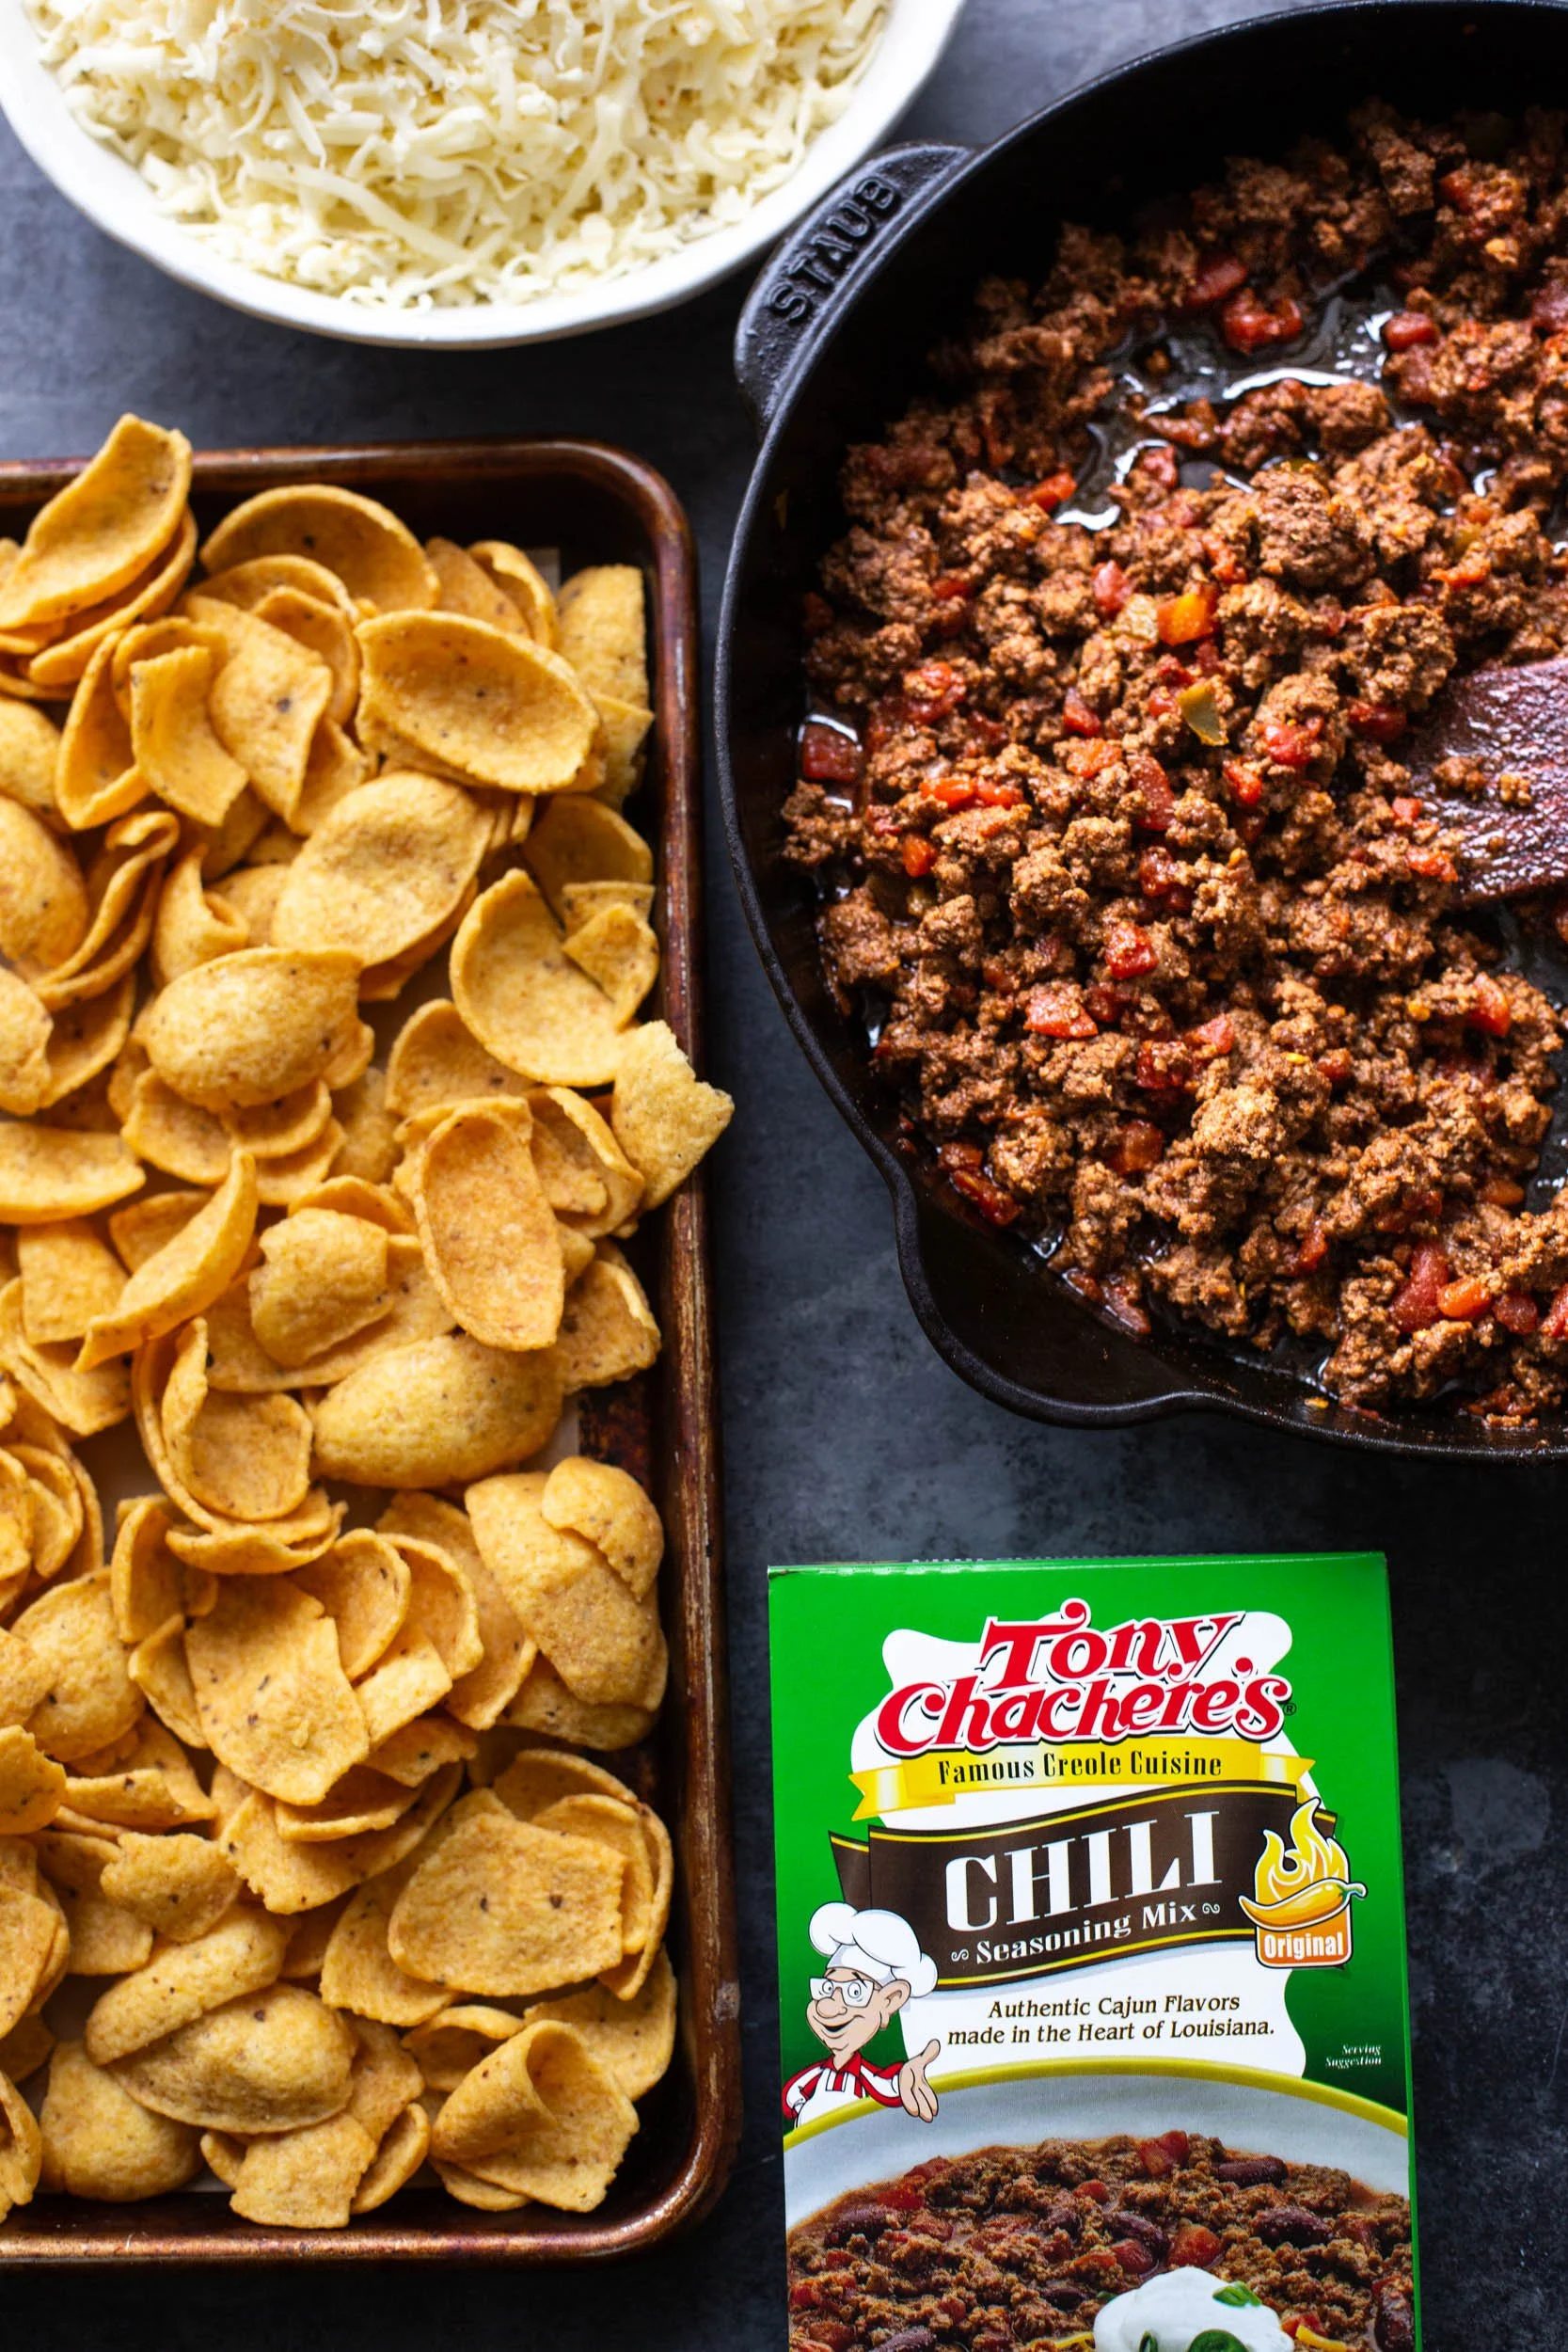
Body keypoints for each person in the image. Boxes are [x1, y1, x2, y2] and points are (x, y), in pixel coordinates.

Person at [781, 1901, 942, 2128]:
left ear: (889, 2000)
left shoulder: (863, 2075)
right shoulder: (820, 2072)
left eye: (854, 1992)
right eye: (827, 1989)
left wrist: (908, 2073)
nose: (829, 2008)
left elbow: (888, 2088)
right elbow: (792, 2094)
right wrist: (802, 2109)